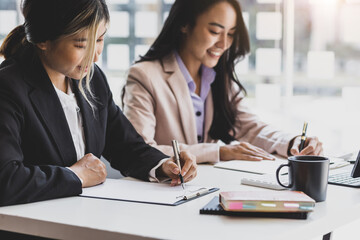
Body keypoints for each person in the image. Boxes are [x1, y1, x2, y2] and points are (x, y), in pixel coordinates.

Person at [0, 0, 197, 207]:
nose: (95, 56)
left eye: (100, 40)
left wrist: (164, 165)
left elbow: (126, 146)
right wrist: (75, 176)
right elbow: (6, 179)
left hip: (84, 216)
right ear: (43, 40)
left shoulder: (92, 79)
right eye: (82, 44)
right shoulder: (8, 87)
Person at [122, 0, 323, 164]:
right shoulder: (144, 76)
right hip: (162, 192)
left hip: (206, 187)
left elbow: (251, 128)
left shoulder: (217, 78)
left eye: (231, 34)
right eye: (215, 32)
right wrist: (218, 152)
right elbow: (141, 149)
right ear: (184, 25)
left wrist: (293, 142)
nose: (224, 44)